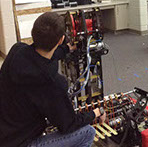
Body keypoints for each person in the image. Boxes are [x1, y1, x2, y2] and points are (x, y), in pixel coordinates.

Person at [0, 12, 106, 147]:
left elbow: (42, 56)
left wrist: (67, 48)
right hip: (22, 143)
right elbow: (68, 124)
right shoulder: (52, 83)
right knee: (87, 132)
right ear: (61, 39)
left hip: (5, 131)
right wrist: (96, 112)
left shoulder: (17, 51)